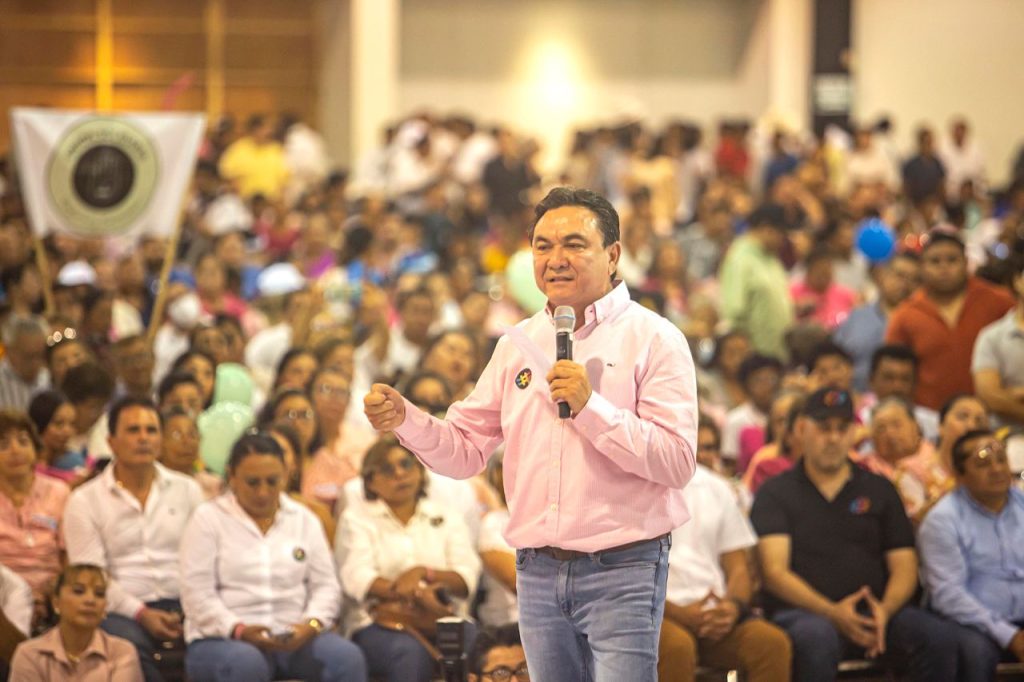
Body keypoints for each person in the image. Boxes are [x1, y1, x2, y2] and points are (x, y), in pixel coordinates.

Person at [364, 187, 697, 681]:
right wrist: (406, 420)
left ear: (613, 255)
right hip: (537, 571)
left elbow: (676, 461)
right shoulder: (517, 345)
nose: (555, 259)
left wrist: (590, 408)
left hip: (623, 567)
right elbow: (465, 450)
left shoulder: (655, 338)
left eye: (573, 244)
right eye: (543, 246)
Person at [751, 388, 964, 681]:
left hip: (877, 611)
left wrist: (885, 610)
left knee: (939, 638)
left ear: (853, 433)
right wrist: (831, 612)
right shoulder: (775, 493)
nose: (833, 438)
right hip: (804, 612)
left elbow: (904, 564)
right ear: (801, 429)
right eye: (824, 428)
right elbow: (774, 572)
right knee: (816, 639)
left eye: (842, 428)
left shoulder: (879, 488)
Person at [179, 432, 367, 682]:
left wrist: (310, 625)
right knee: (247, 663)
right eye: (253, 482)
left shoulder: (304, 519)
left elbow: (326, 586)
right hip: (223, 639)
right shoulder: (208, 519)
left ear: (286, 475)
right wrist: (238, 629)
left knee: (347, 658)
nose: (263, 492)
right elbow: (197, 594)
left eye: (272, 481)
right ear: (232, 476)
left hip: (293, 637)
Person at [62, 397, 205, 682]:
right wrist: (140, 613)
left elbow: (204, 560)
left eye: (151, 430)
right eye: (133, 430)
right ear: (111, 442)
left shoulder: (188, 490)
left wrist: (195, 606)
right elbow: (92, 578)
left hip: (187, 603)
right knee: (124, 647)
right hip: (120, 610)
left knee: (218, 647)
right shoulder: (84, 501)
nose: (143, 438)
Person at [337, 438, 480, 682]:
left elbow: (466, 576)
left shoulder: (446, 516)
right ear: (370, 481)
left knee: (476, 642)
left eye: (406, 464)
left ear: (420, 471)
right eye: (387, 469)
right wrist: (415, 594)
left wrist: (423, 572)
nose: (399, 474)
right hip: (378, 622)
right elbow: (357, 577)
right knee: (409, 653)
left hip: (443, 616)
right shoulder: (357, 519)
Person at [659, 459, 791, 682]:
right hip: (657, 612)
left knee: (772, 644)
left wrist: (732, 607)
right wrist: (676, 612)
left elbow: (738, 567)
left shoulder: (714, 486)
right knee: (677, 647)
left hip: (713, 613)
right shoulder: (629, 484)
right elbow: (624, 578)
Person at [919, 429, 1024, 678]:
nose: (997, 469)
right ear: (959, 475)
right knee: (973, 651)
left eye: (1001, 460)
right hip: (973, 622)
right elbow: (948, 595)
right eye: (983, 464)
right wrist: (1010, 636)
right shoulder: (943, 520)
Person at [886, 230, 1013, 410]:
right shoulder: (906, 314)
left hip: (994, 413)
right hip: (929, 416)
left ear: (966, 262)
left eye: (952, 260)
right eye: (935, 261)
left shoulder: (1000, 301)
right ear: (922, 266)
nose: (944, 268)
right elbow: (892, 370)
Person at [10, 564, 143, 682]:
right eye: (79, 591)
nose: (90, 600)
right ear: (56, 602)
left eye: (99, 594)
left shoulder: (123, 652)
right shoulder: (29, 654)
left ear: (105, 607)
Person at [0, 410, 70, 627]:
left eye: (23, 441)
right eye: (3, 445)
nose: (15, 451)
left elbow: (69, 555)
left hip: (52, 594)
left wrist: (55, 591)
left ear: (35, 447)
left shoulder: (58, 492)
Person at [834, 253, 920, 392]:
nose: (905, 284)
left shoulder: (921, 323)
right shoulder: (857, 317)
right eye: (899, 275)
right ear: (883, 275)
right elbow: (836, 359)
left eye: (914, 280)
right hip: (854, 396)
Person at [719, 204, 795, 359]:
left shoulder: (772, 258)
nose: (783, 241)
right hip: (755, 356)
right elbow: (734, 311)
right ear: (766, 228)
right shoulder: (739, 258)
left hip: (779, 352)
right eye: (782, 234)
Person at [972, 259, 1024, 428]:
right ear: (1017, 281)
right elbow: (990, 396)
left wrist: (1014, 392)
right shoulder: (992, 336)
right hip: (1006, 434)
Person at [857, 345, 939, 442]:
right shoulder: (858, 423)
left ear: (915, 383)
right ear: (871, 381)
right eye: (889, 378)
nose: (897, 387)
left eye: (905, 379)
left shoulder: (934, 425)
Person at [28, 390, 90, 485]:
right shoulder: (26, 467)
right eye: (59, 424)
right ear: (39, 425)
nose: (67, 432)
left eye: (72, 424)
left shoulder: (75, 460)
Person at [0, 314, 49, 411]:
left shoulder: (48, 378)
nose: (37, 363)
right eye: (29, 357)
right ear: (10, 351)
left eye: (41, 355)